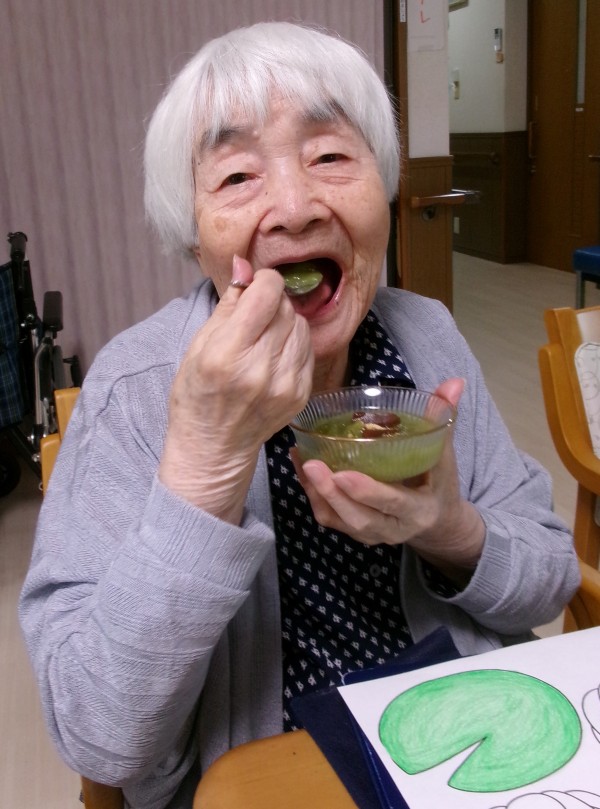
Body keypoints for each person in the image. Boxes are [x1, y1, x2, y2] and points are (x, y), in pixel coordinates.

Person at [19, 20, 579, 809]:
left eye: (330, 157)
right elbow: (100, 733)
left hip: (461, 737)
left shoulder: (428, 338)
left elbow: (549, 581)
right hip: (260, 772)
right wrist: (204, 468)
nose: (294, 206)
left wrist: (449, 527)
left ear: (383, 187)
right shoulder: (134, 388)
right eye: (237, 175)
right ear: (193, 233)